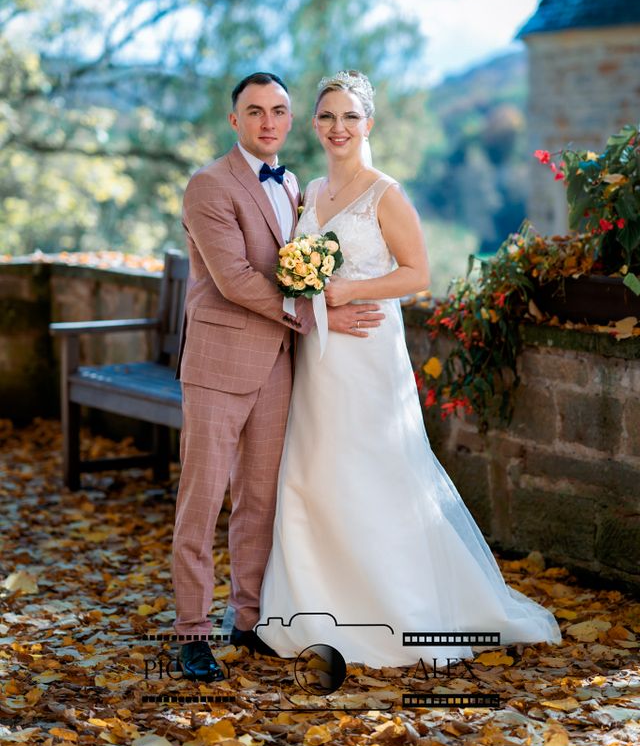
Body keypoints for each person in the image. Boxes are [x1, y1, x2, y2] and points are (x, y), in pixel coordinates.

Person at [257, 70, 562, 668]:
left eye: (349, 117)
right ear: (314, 125)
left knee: (374, 468)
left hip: (368, 354)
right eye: (326, 117)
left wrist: (345, 291)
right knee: (316, 467)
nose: (337, 127)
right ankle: (315, 603)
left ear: (367, 123)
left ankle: (397, 607)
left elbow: (417, 274)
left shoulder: (385, 193)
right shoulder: (310, 192)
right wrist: (311, 292)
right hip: (317, 357)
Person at [171, 72, 387, 682]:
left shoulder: (294, 185)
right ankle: (191, 634)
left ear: (290, 121)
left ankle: (247, 621)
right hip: (218, 366)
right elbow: (236, 279)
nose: (268, 121)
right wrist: (319, 314)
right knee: (202, 500)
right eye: (255, 110)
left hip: (277, 367)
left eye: (280, 111)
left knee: (260, 500)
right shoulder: (208, 185)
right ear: (234, 120)